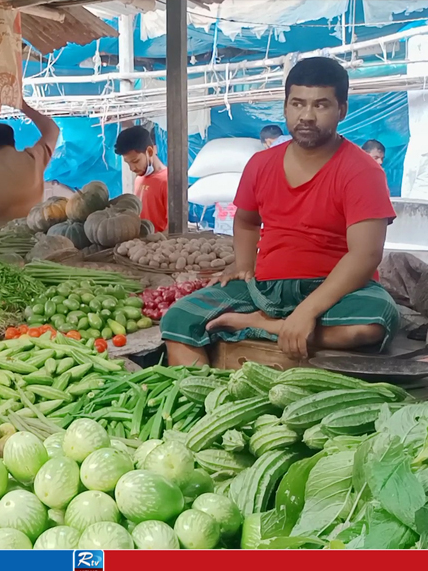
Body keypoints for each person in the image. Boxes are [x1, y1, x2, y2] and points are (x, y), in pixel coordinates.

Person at [160, 57, 400, 366]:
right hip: (265, 288)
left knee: (372, 324)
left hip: (334, 288)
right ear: (285, 107)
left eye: (321, 105)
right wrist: (244, 263)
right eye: (297, 104)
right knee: (179, 319)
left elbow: (365, 256)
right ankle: (200, 404)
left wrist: (306, 311)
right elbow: (246, 221)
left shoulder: (363, 171)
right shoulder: (261, 164)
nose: (307, 116)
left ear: (342, 110)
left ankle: (264, 327)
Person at [0, 100, 59, 224]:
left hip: (0, 242)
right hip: (36, 236)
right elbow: (52, 130)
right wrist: (23, 106)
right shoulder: (33, 159)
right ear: (13, 142)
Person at [114, 126, 168, 232]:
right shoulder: (139, 179)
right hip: (141, 244)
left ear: (150, 151)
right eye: (127, 163)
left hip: (160, 245)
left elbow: (173, 228)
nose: (132, 168)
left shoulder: (167, 181)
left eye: (135, 161)